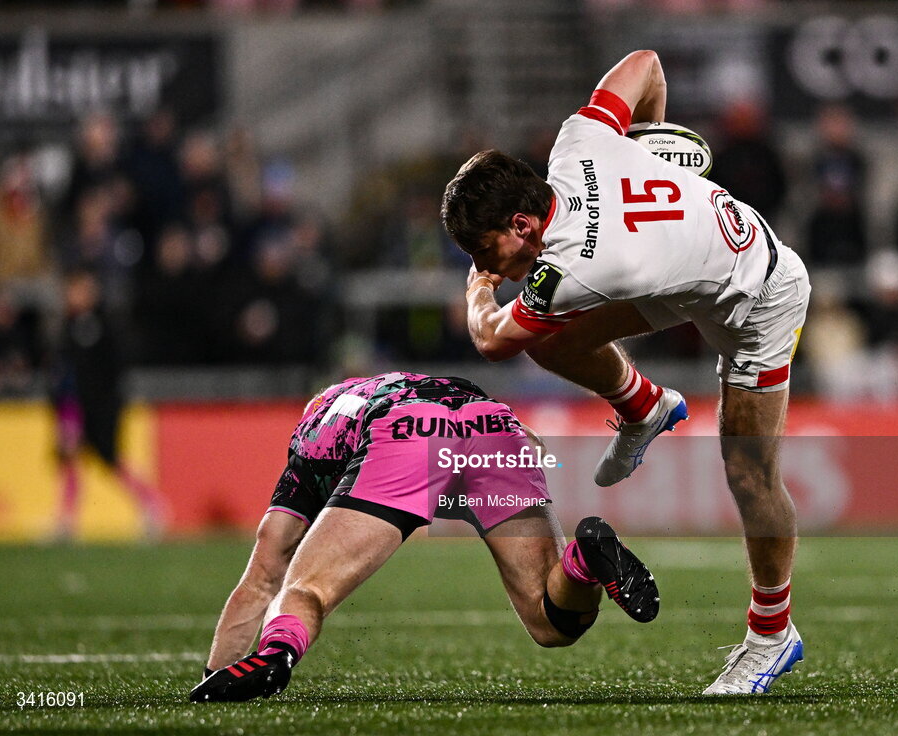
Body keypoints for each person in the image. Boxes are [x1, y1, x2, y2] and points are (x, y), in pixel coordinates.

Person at [441, 50, 809, 695]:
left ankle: (772, 635)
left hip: (761, 294)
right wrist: (646, 138)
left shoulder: (570, 274)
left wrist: (477, 290)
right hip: (688, 267)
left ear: (522, 225)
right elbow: (646, 63)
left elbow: (492, 340)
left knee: (749, 473)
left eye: (483, 248)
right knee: (550, 345)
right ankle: (644, 406)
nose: (485, 261)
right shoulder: (578, 140)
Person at [190, 372, 659, 703]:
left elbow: (263, 576)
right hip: (497, 425)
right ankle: (582, 559)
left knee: (303, 587)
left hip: (407, 437)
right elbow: (532, 445)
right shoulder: (384, 388)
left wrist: (217, 674)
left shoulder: (311, 439)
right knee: (552, 624)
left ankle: (277, 654)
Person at [50, 270, 168, 539]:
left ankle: (152, 504)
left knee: (110, 459)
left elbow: (115, 366)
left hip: (100, 407)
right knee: (70, 458)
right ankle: (66, 520)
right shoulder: (68, 326)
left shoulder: (104, 324)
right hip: (73, 406)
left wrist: (105, 401)